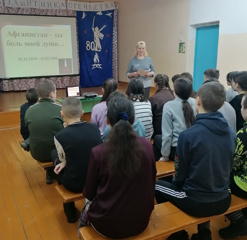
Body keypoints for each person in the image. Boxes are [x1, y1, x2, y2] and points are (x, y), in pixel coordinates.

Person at [155, 81, 236, 240]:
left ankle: (178, 233)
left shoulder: (188, 136)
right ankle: (204, 232)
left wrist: (175, 185)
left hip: (196, 202)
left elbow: (180, 176)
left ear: (198, 100)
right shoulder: (231, 132)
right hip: (224, 199)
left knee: (155, 184)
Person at [79, 95, 156, 239]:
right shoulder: (148, 146)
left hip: (107, 225)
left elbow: (89, 193)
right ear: (133, 120)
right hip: (141, 220)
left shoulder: (98, 152)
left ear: (107, 121)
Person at [51, 97, 102, 223]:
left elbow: (64, 158)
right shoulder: (94, 128)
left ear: (62, 115)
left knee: (56, 161)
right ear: (82, 113)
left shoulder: (59, 136)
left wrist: (63, 163)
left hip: (75, 184)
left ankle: (70, 213)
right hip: (96, 181)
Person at [218, 93, 247, 239]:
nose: (241, 109)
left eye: (242, 106)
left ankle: (239, 221)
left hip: (244, 185)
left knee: (217, 183)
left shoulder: (243, 135)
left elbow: (233, 165)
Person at [25, 79, 64, 184]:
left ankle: (50, 172)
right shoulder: (61, 109)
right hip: (57, 153)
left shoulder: (29, 110)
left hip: (37, 152)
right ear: (52, 94)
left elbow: (27, 130)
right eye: (55, 92)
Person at [153, 78, 196, 161]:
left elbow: (167, 135)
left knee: (157, 138)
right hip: (194, 148)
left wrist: (165, 156)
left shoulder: (169, 106)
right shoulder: (195, 102)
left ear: (175, 92)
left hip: (177, 150)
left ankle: (163, 170)